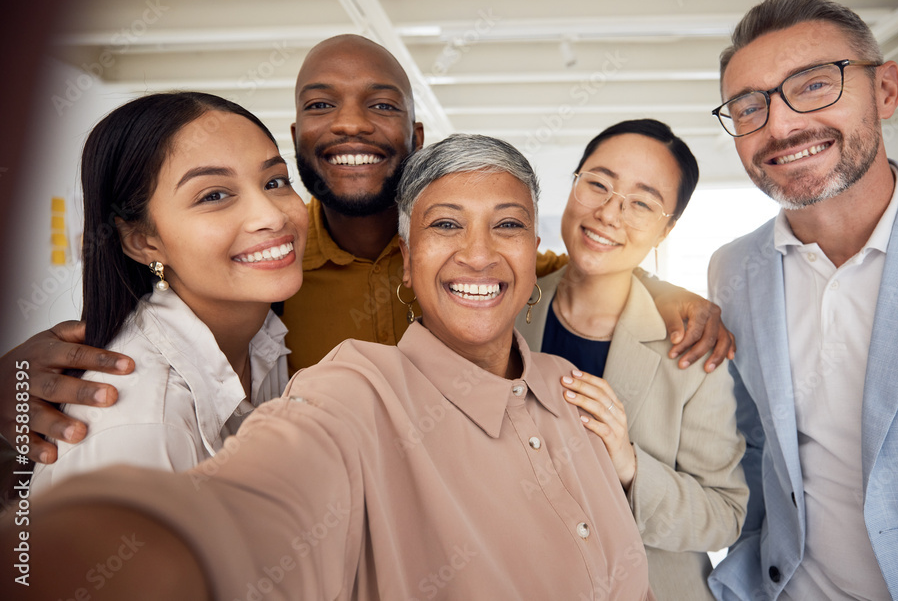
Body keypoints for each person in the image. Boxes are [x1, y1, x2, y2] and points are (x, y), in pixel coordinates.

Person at [2, 35, 735, 469]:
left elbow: (586, 272)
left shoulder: (475, 267)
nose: (351, 125)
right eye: (321, 106)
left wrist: (676, 298)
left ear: (416, 138)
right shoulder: (270, 280)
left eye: (382, 104)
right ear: (297, 138)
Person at [12, 135, 654, 601]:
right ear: (407, 259)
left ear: (534, 249)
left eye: (507, 225)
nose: (480, 254)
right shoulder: (351, 392)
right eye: (446, 225)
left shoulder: (573, 393)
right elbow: (255, 504)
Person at [705, 0, 898, 601]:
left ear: (885, 91)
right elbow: (759, 452)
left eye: (813, 84)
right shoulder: (733, 269)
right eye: (749, 106)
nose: (780, 126)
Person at [515, 119, 747, 600]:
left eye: (642, 203)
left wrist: (628, 466)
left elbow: (725, 516)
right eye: (597, 184)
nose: (609, 213)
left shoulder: (693, 347)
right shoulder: (504, 312)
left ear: (667, 229)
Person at [30, 92, 307, 491]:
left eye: (275, 181)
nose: (272, 215)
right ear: (143, 241)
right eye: (214, 195)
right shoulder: (141, 423)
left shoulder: (260, 334)